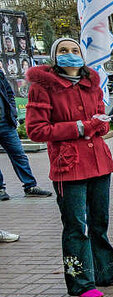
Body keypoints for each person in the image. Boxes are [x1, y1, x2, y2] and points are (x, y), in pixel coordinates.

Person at [26, 38, 113, 297]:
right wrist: (80, 127)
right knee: (76, 227)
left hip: (99, 163)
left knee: (100, 222)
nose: (70, 55)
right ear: (54, 56)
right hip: (68, 166)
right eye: (64, 51)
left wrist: (102, 123)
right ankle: (80, 283)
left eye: (75, 51)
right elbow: (36, 130)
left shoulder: (92, 84)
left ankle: (106, 272)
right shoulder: (42, 88)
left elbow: (101, 124)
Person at [0, 66, 52, 201]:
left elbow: (9, 93)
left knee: (19, 155)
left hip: (5, 123)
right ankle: (0, 189)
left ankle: (30, 186)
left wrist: (12, 113)